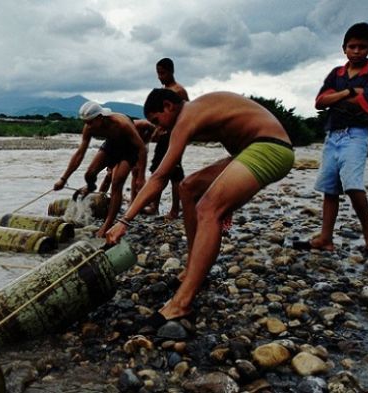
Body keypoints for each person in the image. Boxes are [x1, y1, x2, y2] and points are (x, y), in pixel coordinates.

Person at [106, 89, 294, 325]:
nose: (159, 127)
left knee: (208, 209)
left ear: (168, 106)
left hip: (271, 148)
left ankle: (181, 304)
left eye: (157, 120)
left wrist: (124, 221)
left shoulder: (187, 115)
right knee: (188, 187)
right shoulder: (196, 111)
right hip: (249, 150)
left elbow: (159, 178)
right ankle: (193, 269)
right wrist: (154, 127)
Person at [292, 23, 368, 256]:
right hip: (333, 134)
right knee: (330, 187)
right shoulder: (337, 74)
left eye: (362, 47)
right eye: (352, 46)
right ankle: (325, 238)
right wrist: (349, 93)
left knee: (353, 184)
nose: (356, 51)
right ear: (344, 48)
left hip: (357, 133)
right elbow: (320, 101)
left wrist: (337, 99)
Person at [54, 101, 149, 238]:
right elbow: (80, 153)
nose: (88, 125)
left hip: (130, 148)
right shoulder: (89, 127)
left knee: (117, 183)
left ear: (100, 117)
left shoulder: (122, 123)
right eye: (86, 122)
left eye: (91, 122)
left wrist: (141, 176)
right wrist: (64, 179)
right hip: (112, 145)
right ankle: (91, 187)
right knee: (90, 173)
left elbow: (141, 148)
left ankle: (108, 224)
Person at [143, 58, 189, 218]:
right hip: (164, 136)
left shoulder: (178, 91)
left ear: (171, 72)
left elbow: (185, 115)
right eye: (158, 73)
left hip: (174, 136)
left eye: (162, 73)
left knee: (174, 173)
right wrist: (157, 129)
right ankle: (155, 206)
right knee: (158, 169)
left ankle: (175, 210)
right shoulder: (163, 90)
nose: (159, 77)